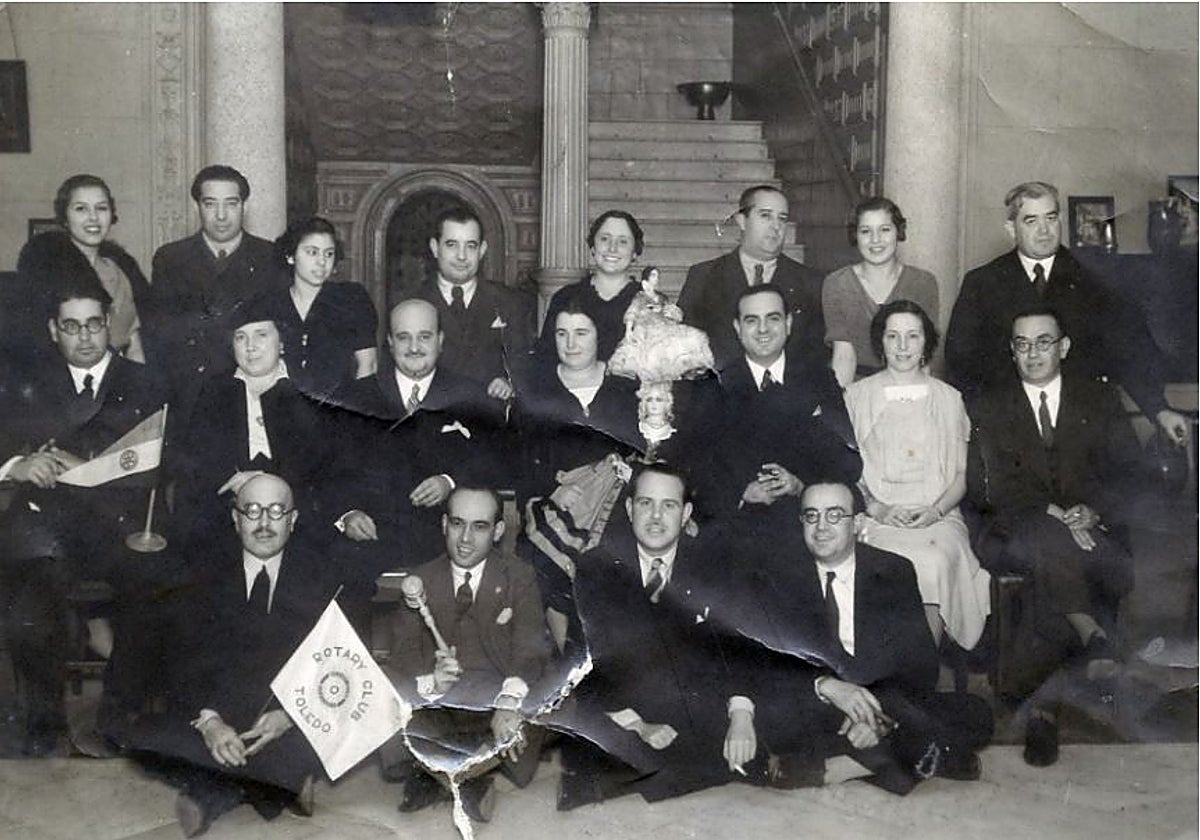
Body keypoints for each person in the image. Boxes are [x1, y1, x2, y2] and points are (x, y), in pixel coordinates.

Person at [728, 481, 992, 795]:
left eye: (834, 515)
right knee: (777, 717)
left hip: (881, 703)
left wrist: (879, 717)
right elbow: (762, 661)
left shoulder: (893, 571)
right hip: (818, 707)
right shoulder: (779, 576)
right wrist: (825, 686)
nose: (821, 527)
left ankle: (838, 769)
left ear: (856, 523)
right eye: (811, 516)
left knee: (977, 713)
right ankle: (927, 756)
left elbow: (920, 665)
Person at [112, 474, 336, 837]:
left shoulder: (323, 578)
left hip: (285, 720)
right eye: (252, 511)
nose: (264, 523)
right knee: (143, 738)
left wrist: (291, 716)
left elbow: (334, 667)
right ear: (235, 519)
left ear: (293, 520)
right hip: (221, 714)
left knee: (329, 733)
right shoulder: (200, 576)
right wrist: (211, 723)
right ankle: (277, 785)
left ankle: (213, 791)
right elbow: (183, 667)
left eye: (276, 512)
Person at [0, 274, 165, 755]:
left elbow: (162, 460)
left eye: (94, 324)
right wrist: (19, 464)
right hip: (47, 527)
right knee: (28, 607)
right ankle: (44, 725)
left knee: (156, 590)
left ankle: (114, 720)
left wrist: (89, 468)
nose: (86, 337)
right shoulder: (26, 383)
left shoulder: (144, 383)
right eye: (72, 327)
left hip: (119, 524)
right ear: (53, 330)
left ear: (109, 324)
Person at [967, 307, 1139, 768]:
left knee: (1050, 554)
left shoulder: (1098, 401)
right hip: (1011, 530)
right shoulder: (990, 404)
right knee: (1047, 539)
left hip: (1090, 532)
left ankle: (1039, 706)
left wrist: (1092, 510)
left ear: (1064, 347)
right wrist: (1053, 513)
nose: (1032, 353)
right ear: (1011, 351)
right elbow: (984, 485)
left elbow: (1129, 474)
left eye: (1043, 342)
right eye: (1022, 344)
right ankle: (1090, 635)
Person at [555, 464, 747, 808]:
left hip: (690, 704)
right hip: (623, 707)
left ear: (686, 513)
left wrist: (741, 714)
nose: (656, 517)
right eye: (646, 504)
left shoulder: (711, 567)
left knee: (752, 735)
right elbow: (594, 663)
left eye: (669, 505)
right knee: (597, 752)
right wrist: (639, 725)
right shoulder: (597, 567)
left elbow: (732, 648)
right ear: (629, 510)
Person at [946, 180, 1189, 447]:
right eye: (1030, 221)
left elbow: (1129, 352)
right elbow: (961, 363)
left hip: (1083, 428)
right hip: (1009, 429)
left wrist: (1158, 409)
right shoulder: (982, 284)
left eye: (1051, 218)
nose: (1044, 230)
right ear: (1010, 229)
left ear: (1060, 219)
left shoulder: (1096, 281)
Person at [380, 487, 552, 824]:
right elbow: (403, 654)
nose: (466, 539)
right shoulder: (420, 580)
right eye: (458, 524)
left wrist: (507, 703)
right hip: (443, 706)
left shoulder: (519, 576)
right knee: (383, 685)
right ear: (444, 524)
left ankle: (438, 774)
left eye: (480, 526)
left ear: (498, 531)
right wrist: (432, 680)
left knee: (556, 690)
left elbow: (531, 647)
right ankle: (471, 778)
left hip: (494, 703)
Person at [844, 300, 991, 655]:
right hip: (876, 515)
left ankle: (922, 672)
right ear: (880, 342)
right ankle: (881, 671)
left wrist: (935, 512)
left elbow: (959, 476)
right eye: (893, 336)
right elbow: (846, 471)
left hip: (937, 516)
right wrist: (877, 509)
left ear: (927, 341)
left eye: (913, 336)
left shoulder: (950, 399)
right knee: (878, 559)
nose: (903, 346)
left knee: (936, 558)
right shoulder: (854, 396)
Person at [333, 299, 502, 577]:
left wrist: (450, 482)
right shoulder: (355, 398)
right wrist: (347, 514)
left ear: (440, 340)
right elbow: (332, 472)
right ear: (389, 342)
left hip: (447, 549)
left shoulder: (471, 396)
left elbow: (491, 462)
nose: (414, 348)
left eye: (424, 337)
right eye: (404, 338)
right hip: (368, 546)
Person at [174, 300, 338, 553]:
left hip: (297, 522)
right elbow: (196, 468)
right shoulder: (213, 392)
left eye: (261, 335)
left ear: (282, 342)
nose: (250, 347)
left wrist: (263, 482)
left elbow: (323, 468)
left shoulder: (311, 390)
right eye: (241, 337)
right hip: (226, 522)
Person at [711, 284, 860, 526]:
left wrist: (801, 485)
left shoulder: (818, 378)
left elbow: (847, 459)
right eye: (751, 320)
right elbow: (702, 466)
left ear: (788, 324)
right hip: (739, 524)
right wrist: (741, 492)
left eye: (773, 318)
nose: (763, 329)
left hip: (807, 520)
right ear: (737, 328)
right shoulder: (716, 384)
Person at [147, 165, 280, 396]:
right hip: (189, 390)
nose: (221, 215)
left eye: (231, 203)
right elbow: (162, 333)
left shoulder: (270, 257)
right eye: (210, 204)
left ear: (244, 207)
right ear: (197, 206)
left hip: (250, 390)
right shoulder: (170, 259)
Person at [678, 184, 824, 371]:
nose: (776, 226)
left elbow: (817, 355)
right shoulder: (704, 276)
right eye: (765, 215)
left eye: (782, 218)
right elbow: (684, 348)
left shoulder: (811, 283)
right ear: (741, 221)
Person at [16, 174, 149, 365]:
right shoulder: (47, 272)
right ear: (64, 218)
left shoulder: (122, 270)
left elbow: (135, 343)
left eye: (101, 208)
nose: (93, 218)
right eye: (81, 209)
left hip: (119, 379)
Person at [414, 206, 536, 402]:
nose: (462, 256)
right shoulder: (413, 304)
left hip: (490, 420)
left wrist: (510, 382)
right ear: (435, 248)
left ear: (482, 250)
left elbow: (524, 362)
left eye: (471, 246)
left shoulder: (510, 302)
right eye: (452, 244)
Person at [823, 197, 939, 387]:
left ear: (898, 232)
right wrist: (840, 407)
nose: (875, 240)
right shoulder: (837, 283)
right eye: (866, 231)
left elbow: (923, 356)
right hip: (856, 386)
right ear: (855, 236)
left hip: (908, 385)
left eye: (885, 230)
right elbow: (844, 357)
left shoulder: (923, 283)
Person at [263, 216, 377, 400]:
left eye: (329, 253)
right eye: (312, 252)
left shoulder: (352, 299)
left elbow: (368, 366)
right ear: (290, 256)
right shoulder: (271, 305)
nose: (322, 262)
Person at [535, 209, 645, 364]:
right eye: (605, 239)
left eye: (623, 241)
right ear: (593, 247)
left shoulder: (649, 301)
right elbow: (546, 359)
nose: (612, 248)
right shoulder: (565, 297)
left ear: (635, 252)